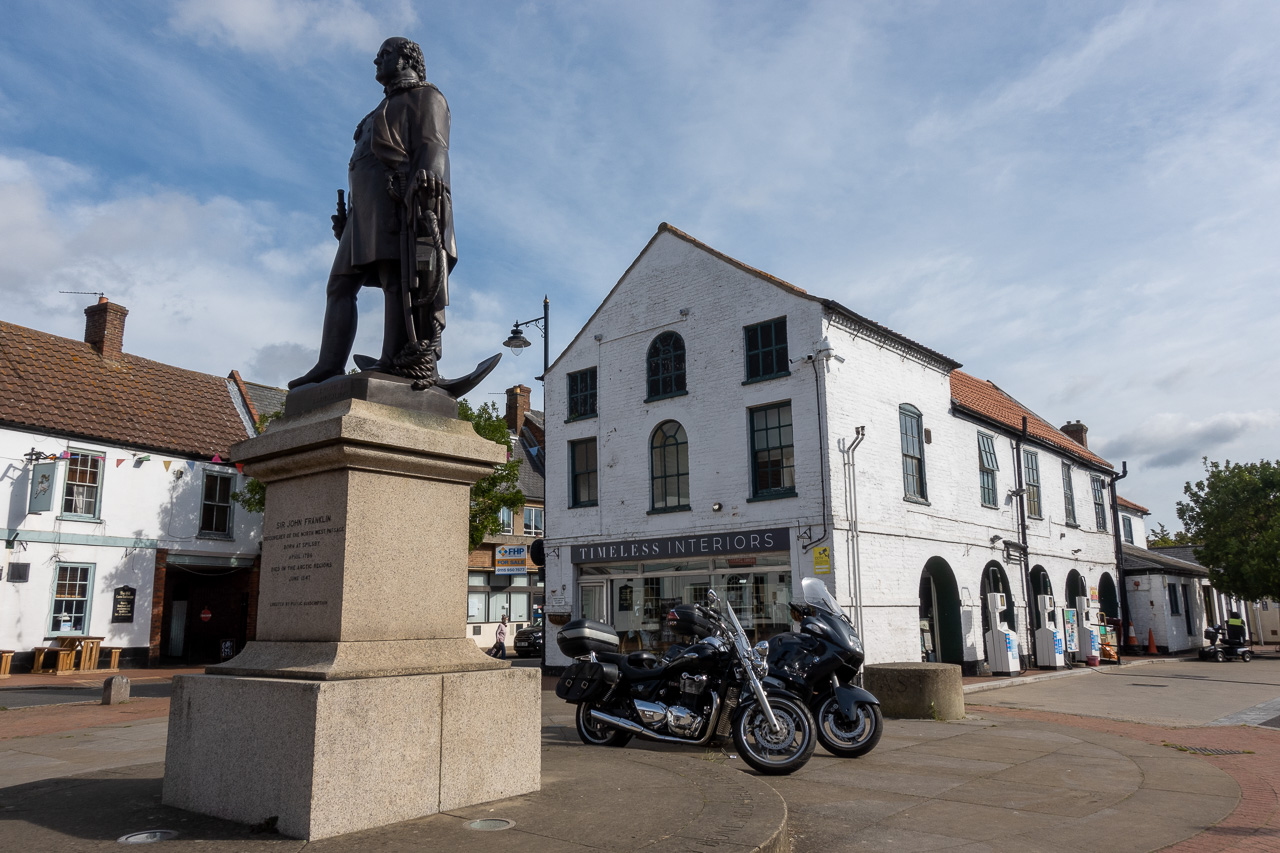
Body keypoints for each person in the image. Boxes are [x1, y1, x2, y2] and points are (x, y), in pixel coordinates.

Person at [290, 36, 455, 390]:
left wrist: (426, 182)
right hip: (363, 211)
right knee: (339, 284)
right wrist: (351, 216)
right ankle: (329, 364)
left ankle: (392, 358)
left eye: (385, 54)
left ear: (406, 58)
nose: (376, 60)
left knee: (395, 278)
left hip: (396, 199)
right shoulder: (376, 110)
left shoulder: (426, 97)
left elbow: (434, 146)